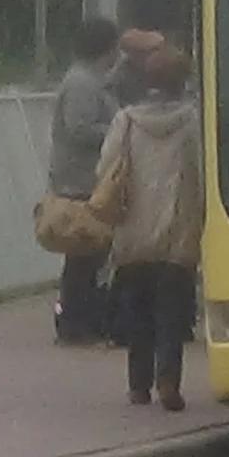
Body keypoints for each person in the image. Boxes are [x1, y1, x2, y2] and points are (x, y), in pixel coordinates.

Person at [95, 45, 204, 410]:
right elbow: (204, 175)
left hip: (133, 231)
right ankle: (168, 381)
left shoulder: (125, 121)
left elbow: (105, 169)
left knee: (138, 309)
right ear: (183, 81)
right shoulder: (193, 122)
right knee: (172, 311)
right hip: (178, 230)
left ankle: (137, 385)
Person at [49, 18, 163, 344]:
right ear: (106, 48)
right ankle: (74, 322)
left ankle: (84, 319)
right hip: (81, 181)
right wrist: (119, 131)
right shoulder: (82, 84)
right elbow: (79, 128)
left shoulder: (93, 81)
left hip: (91, 179)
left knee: (92, 256)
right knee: (83, 255)